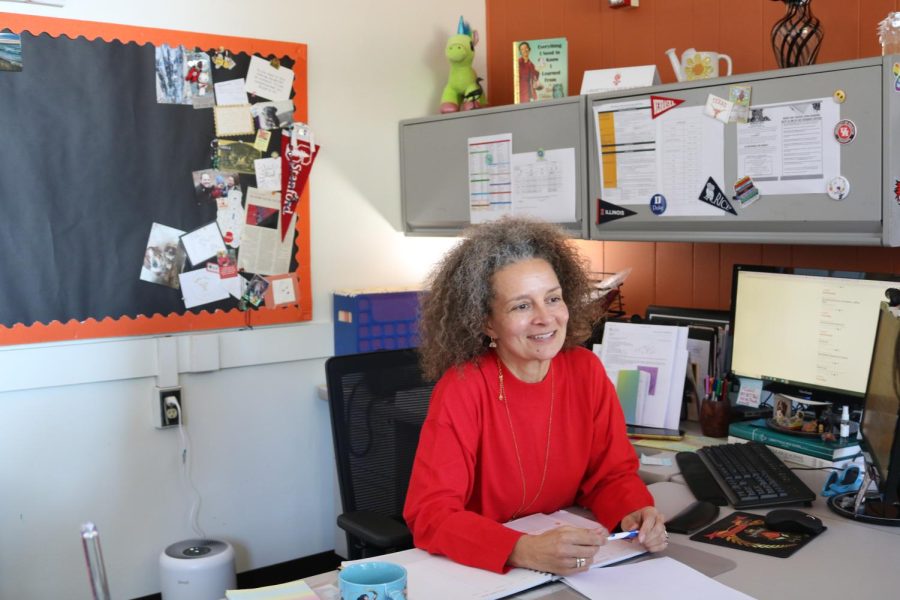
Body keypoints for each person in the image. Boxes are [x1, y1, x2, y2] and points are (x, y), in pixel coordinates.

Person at [403, 217, 668, 576]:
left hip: (570, 566)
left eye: (553, 299)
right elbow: (430, 514)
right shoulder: (463, 387)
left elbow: (608, 476)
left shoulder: (585, 371)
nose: (546, 318)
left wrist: (633, 512)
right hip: (484, 572)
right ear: (487, 322)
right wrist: (520, 549)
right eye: (521, 306)